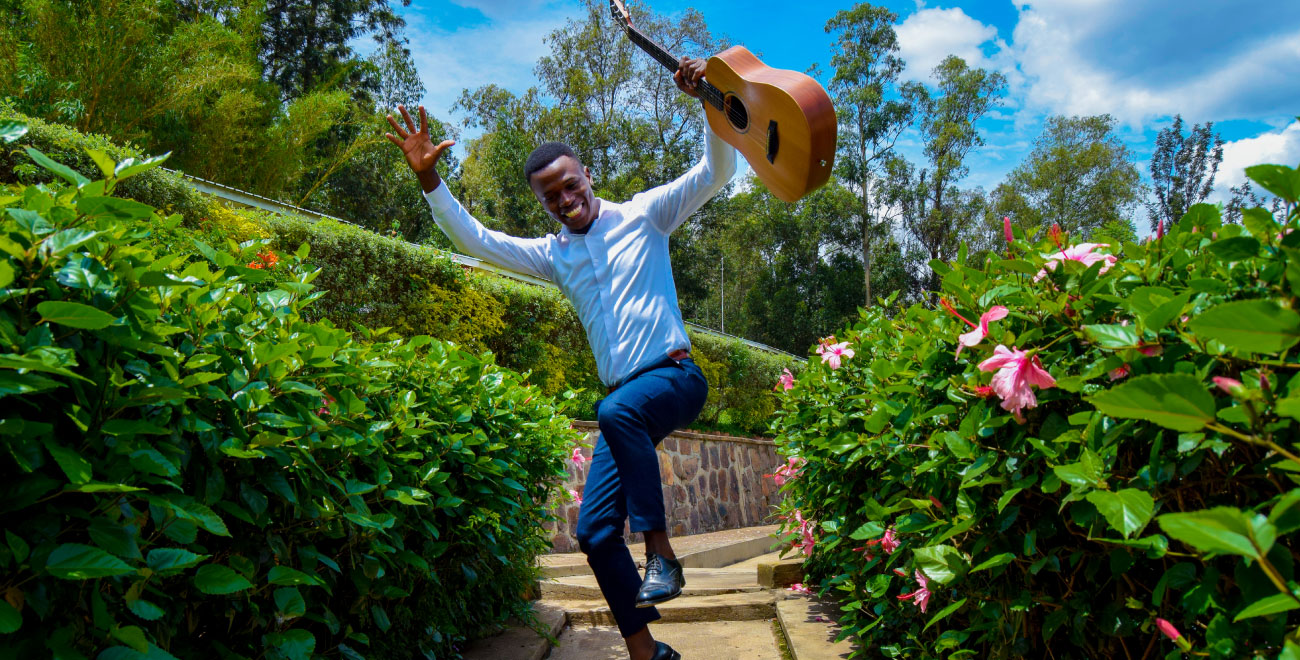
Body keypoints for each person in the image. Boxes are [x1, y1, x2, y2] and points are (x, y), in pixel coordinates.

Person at [385, 57, 735, 660]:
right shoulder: (554, 256)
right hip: (627, 404)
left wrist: (708, 100)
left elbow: (715, 170)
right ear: (542, 202)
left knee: (615, 411)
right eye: (552, 195)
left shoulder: (645, 216)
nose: (565, 198)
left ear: (588, 175)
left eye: (571, 184)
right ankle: (648, 655)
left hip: (675, 377)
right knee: (595, 534)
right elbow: (479, 242)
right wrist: (430, 183)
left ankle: (662, 555)